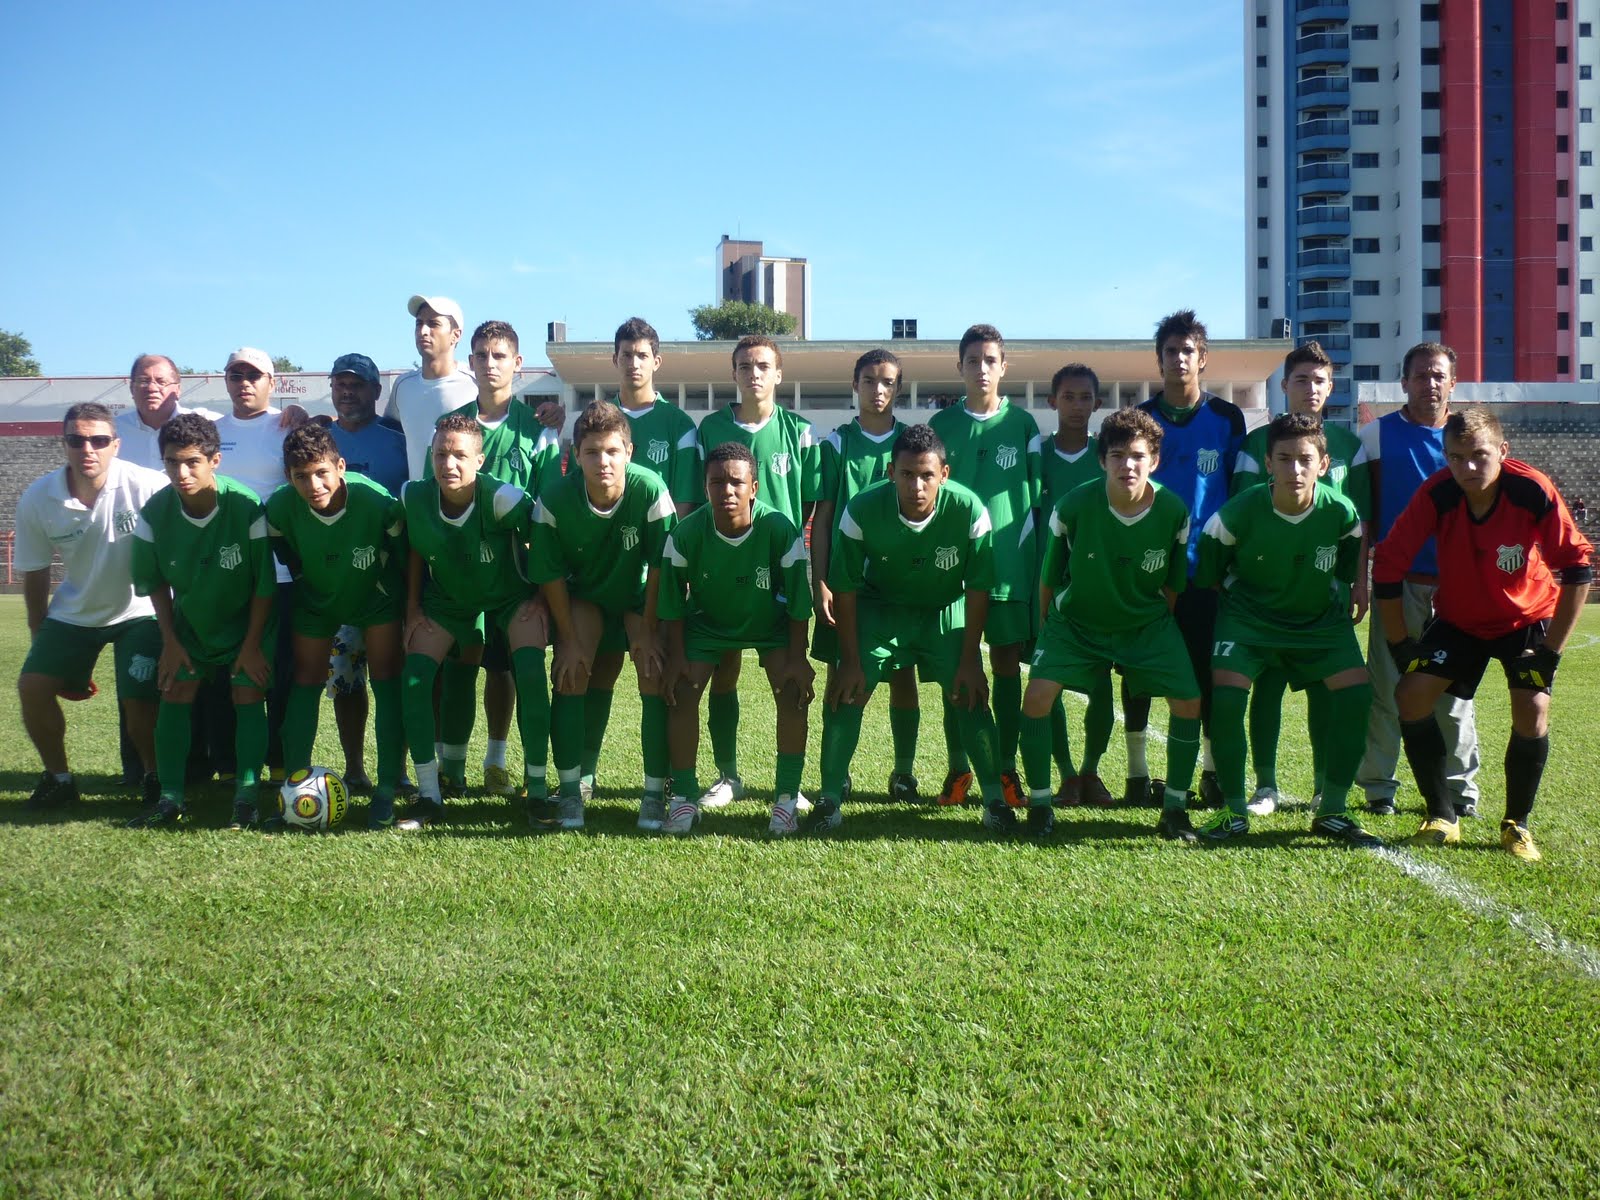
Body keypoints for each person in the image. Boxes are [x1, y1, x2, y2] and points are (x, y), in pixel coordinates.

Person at [1376, 408, 1592, 860]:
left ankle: (1517, 825)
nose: (1467, 468)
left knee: (1532, 711)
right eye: (1455, 458)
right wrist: (1400, 644)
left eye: (1479, 456)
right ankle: (1441, 815)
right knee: (1411, 695)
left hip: (1524, 619)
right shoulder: (1437, 493)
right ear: (1445, 457)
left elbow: (1576, 567)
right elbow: (1390, 565)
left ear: (1502, 452)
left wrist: (1551, 651)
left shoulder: (1531, 489)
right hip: (1459, 621)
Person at [808, 423, 1008, 835]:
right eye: (907, 474)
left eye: (927, 475)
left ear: (944, 475)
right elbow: (845, 587)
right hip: (881, 611)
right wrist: (848, 659)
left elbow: (979, 588)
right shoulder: (861, 510)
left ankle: (995, 801)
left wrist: (970, 658)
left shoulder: (969, 510)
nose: (917, 485)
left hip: (941, 611)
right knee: (847, 691)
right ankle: (829, 799)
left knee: (969, 694)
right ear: (890, 472)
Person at [1191, 413, 1380, 846]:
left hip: (1317, 621)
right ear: (1268, 462)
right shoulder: (1237, 513)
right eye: (1284, 458)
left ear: (1324, 463)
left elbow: (1348, 564)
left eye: (1304, 459)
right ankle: (1233, 811)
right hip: (1248, 619)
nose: (1295, 469)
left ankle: (1332, 808)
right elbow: (1212, 570)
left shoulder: (1342, 511)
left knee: (1356, 694)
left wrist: (1330, 594)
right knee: (1226, 697)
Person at [1020, 408, 1203, 842]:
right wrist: (1050, 627)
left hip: (1146, 624)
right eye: (1117, 455)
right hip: (1076, 623)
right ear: (1102, 460)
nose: (1128, 465)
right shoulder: (1075, 504)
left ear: (1154, 461)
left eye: (1138, 456)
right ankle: (1041, 805)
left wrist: (1151, 625)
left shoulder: (1174, 510)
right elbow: (1050, 577)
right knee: (1037, 697)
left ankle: (1175, 809)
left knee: (1189, 700)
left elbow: (1174, 585)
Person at [1229, 340, 1370, 816]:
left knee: (1325, 689)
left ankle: (1320, 784)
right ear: (1284, 385)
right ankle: (1265, 785)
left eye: (1319, 380)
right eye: (1301, 379)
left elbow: (1361, 522)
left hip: (1323, 594)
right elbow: (1241, 515)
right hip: (1264, 594)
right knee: (1265, 685)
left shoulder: (1351, 447)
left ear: (1332, 387)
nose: (1311, 388)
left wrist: (1358, 580)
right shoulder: (1256, 444)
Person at [430, 320, 562, 800]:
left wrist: (541, 583)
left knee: (509, 669)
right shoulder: (452, 425)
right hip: (461, 575)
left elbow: (547, 513)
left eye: (500, 356)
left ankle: (499, 760)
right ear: (470, 361)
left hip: (515, 579)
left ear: (517, 363)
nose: (490, 364)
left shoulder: (538, 430)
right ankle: (453, 769)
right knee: (463, 664)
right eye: (482, 355)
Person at [529, 401, 677, 831]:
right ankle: (572, 790)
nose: (603, 461)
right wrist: (569, 638)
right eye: (592, 452)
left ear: (629, 452)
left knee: (651, 669)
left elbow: (662, 568)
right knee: (572, 672)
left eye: (612, 451)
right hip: (586, 599)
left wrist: (649, 631)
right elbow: (550, 574)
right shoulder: (556, 497)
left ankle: (653, 793)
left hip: (636, 599)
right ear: (575, 456)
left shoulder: (650, 489)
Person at [126, 414, 277, 828]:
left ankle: (246, 795)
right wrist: (171, 643)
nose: (181, 472)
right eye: (172, 462)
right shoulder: (156, 512)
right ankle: (170, 798)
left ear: (215, 460)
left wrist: (249, 648)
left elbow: (264, 586)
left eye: (192, 461)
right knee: (175, 689)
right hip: (190, 626)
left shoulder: (245, 506)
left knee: (248, 694)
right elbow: (154, 582)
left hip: (248, 625)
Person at [397, 414, 547, 830]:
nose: (449, 464)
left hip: (508, 598)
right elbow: (412, 548)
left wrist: (539, 597)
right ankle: (430, 793)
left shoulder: (503, 498)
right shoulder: (414, 495)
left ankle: (537, 792)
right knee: (414, 678)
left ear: (480, 460)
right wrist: (412, 606)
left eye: (460, 455)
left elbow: (543, 536)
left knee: (531, 671)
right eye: (441, 454)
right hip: (447, 602)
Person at [1349, 343, 1481, 817]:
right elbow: (1365, 518)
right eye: (1420, 375)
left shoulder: (1470, 437)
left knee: (1454, 694)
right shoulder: (1376, 436)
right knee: (1387, 687)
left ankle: (1461, 792)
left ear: (1453, 383)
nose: (1430, 383)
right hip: (1397, 585)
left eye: (1438, 375)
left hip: (1458, 588)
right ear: (1403, 382)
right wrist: (1362, 578)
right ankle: (1378, 787)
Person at [16, 402, 168, 811]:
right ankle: (60, 778)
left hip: (140, 610)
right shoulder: (38, 497)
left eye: (99, 440)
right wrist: (38, 635)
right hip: (73, 614)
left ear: (115, 445)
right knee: (33, 687)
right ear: (63, 444)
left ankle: (155, 777)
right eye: (77, 440)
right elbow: (35, 571)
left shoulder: (148, 485)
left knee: (138, 703)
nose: (88, 449)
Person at [658, 442, 815, 836]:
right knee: (682, 688)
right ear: (705, 487)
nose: (727, 491)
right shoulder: (685, 534)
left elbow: (798, 603)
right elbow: (673, 604)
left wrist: (798, 658)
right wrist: (676, 658)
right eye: (716, 482)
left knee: (792, 689)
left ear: (754, 487)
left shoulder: (779, 528)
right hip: (709, 625)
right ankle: (683, 799)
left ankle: (785, 799)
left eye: (735, 482)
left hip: (769, 625)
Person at [691, 335, 818, 812]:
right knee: (723, 675)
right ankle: (728, 776)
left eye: (763, 365)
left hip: (780, 574)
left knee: (786, 676)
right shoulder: (709, 429)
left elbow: (811, 506)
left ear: (779, 374)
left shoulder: (800, 431)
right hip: (722, 572)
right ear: (734, 374)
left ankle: (790, 785)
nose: (754, 373)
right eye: (745, 366)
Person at [1126, 310, 1245, 810]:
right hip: (1147, 569)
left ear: (1203, 358)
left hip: (1205, 571)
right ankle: (1137, 775)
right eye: (1170, 351)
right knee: (1138, 672)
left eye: (1188, 351)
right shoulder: (1139, 420)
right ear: (1159, 360)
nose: (1179, 359)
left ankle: (1212, 773)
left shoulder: (1226, 419)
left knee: (1206, 672)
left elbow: (1238, 495)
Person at [266, 424, 408, 829]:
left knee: (386, 679)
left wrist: (399, 603)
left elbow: (402, 555)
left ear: (340, 466)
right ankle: (294, 785)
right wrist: (307, 577)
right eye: (300, 476)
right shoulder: (279, 507)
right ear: (288, 477)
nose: (313, 485)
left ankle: (384, 790)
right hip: (318, 603)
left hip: (376, 600)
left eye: (321, 473)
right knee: (307, 681)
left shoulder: (377, 502)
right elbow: (282, 548)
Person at [927, 324, 1039, 809]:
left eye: (990, 360)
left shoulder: (1025, 426)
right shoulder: (942, 427)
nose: (982, 369)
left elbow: (1037, 500)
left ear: (1003, 366)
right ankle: (959, 768)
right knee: (959, 669)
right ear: (960, 368)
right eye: (973, 361)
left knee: (1006, 665)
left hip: (1009, 566)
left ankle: (1006, 767)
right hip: (953, 571)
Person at [811, 348, 921, 802]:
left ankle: (903, 772)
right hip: (849, 584)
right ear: (854, 385)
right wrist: (820, 581)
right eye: (869, 381)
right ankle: (838, 774)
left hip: (901, 584)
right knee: (843, 678)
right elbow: (823, 517)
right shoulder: (837, 444)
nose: (878, 390)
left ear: (899, 388)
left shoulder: (911, 443)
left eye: (887, 382)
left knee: (903, 677)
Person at [213, 348, 309, 780]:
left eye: (255, 375)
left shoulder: (287, 427)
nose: (244, 383)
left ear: (274, 381)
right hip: (230, 574)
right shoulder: (211, 431)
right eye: (236, 375)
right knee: (233, 672)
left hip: (282, 572)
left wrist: (303, 416)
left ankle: (280, 764)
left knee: (284, 672)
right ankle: (234, 765)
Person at [322, 353, 409, 790]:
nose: (347, 391)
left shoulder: (398, 438)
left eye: (357, 384)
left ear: (377, 391)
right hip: (338, 586)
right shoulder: (318, 437)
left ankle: (397, 771)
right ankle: (354, 769)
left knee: (393, 680)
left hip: (388, 582)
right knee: (346, 680)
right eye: (340, 383)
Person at [1037, 363, 1116, 808]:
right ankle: (1066, 774)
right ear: (1053, 402)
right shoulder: (1039, 455)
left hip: (1096, 589)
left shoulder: (1106, 459)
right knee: (1052, 681)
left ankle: (1091, 771)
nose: (1076, 405)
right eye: (1067, 396)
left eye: (1085, 397)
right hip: (1047, 585)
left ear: (1096, 404)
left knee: (1100, 685)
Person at [386, 295, 479, 482]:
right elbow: (390, 437)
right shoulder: (403, 385)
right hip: (417, 505)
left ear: (456, 334)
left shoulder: (475, 384)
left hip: (463, 504)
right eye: (419, 323)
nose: (423, 331)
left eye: (433, 324)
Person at [115, 354, 218, 472]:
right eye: (144, 381)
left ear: (177, 390)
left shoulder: (208, 424)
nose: (152, 388)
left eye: (161, 381)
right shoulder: (113, 431)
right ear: (132, 389)